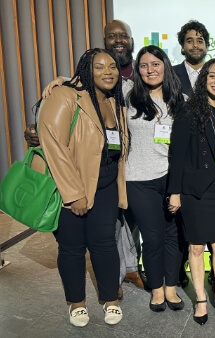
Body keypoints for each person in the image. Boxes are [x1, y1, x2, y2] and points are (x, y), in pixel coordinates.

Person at [25, 20, 144, 298]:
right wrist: (62, 84)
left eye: (123, 35)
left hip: (126, 175)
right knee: (88, 241)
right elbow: (58, 129)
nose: (118, 40)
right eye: (112, 36)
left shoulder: (143, 73)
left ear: (131, 39)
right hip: (87, 178)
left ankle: (128, 270)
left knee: (119, 233)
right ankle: (102, 288)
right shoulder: (73, 89)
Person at [37, 48, 129, 327]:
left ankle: (110, 300)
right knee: (71, 247)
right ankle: (76, 304)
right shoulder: (64, 97)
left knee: (104, 244)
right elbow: (53, 145)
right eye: (99, 67)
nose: (108, 72)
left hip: (105, 184)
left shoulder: (115, 100)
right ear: (86, 70)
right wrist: (73, 194)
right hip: (71, 185)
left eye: (112, 66)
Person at [168, 59, 215, 325]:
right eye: (212, 76)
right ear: (203, 80)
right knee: (196, 247)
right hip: (195, 190)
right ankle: (200, 299)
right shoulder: (189, 112)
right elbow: (177, 156)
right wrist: (174, 192)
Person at [124, 45, 184, 312]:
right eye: (144, 65)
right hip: (138, 178)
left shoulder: (180, 100)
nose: (150, 70)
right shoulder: (127, 95)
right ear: (138, 70)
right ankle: (157, 289)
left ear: (165, 66)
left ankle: (171, 288)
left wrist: (179, 187)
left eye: (155, 64)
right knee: (153, 237)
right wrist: (59, 81)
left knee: (173, 236)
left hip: (171, 179)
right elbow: (90, 82)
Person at [174, 20, 209, 97]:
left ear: (207, 47)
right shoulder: (171, 73)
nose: (195, 45)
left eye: (200, 41)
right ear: (182, 47)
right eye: (190, 41)